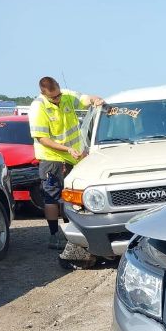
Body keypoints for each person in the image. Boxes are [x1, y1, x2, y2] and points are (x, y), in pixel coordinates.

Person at [28, 77, 104, 249]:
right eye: (53, 97)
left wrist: (94, 99)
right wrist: (66, 149)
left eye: (59, 95)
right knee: (52, 196)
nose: (58, 99)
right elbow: (42, 138)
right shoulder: (38, 107)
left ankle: (74, 230)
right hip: (51, 156)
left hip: (74, 156)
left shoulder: (67, 96)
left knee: (73, 194)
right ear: (43, 93)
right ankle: (54, 235)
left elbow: (84, 99)